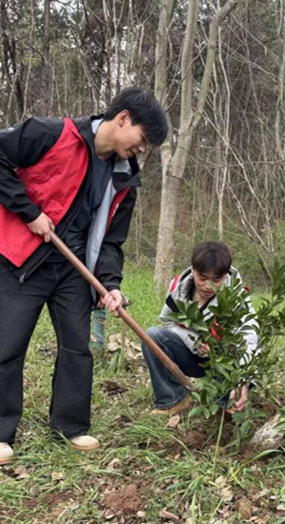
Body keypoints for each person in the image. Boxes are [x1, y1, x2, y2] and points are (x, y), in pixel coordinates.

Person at [0, 87, 168, 464]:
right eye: (143, 138)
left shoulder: (125, 177)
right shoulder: (51, 134)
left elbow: (111, 239)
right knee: (7, 345)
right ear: (123, 118)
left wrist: (111, 284)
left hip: (74, 269)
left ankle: (70, 426)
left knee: (77, 347)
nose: (142, 149)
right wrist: (28, 211)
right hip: (22, 260)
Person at [141, 241, 258, 416]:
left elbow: (249, 335)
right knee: (152, 336)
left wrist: (244, 379)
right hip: (193, 356)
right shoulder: (178, 289)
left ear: (225, 275)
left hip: (224, 362)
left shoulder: (236, 295)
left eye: (216, 280)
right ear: (193, 270)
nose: (208, 286)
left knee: (221, 410)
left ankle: (224, 401)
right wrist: (194, 342)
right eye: (202, 279)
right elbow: (168, 320)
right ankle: (173, 400)